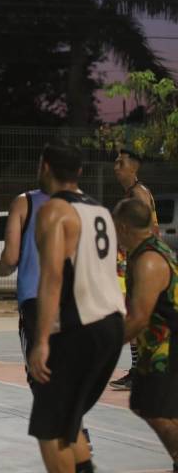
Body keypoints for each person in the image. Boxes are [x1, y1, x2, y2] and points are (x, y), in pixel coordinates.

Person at [28, 141, 126, 473]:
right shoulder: (101, 211)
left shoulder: (53, 211)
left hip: (77, 328)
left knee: (50, 428)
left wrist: (41, 341)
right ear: (80, 172)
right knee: (70, 417)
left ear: (44, 167)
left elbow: (53, 276)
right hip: (111, 325)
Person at [0, 187, 94, 455]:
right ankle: (76, 434)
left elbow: (11, 258)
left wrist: (3, 266)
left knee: (41, 372)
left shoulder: (25, 202)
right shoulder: (86, 203)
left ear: (45, 166)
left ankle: (72, 437)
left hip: (37, 298)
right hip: (75, 300)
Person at [113, 198, 178, 473]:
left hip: (168, 346)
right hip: (158, 346)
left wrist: (104, 348)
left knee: (153, 408)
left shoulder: (149, 260)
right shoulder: (144, 252)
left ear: (125, 227)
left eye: (115, 225)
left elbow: (138, 319)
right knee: (148, 406)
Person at [111, 148, 161, 390]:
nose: (115, 166)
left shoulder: (138, 194)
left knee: (139, 315)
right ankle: (138, 369)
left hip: (141, 261)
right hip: (133, 260)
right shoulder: (132, 192)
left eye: (120, 162)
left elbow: (149, 231)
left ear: (134, 167)